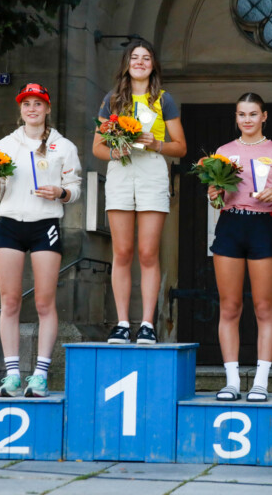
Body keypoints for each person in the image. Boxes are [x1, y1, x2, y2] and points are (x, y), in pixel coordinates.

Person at [0, 83, 82, 397]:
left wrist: (61, 193)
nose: (32, 109)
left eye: (37, 104)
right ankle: (12, 375)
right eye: (26, 104)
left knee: (43, 302)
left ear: (47, 108)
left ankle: (40, 375)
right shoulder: (5, 144)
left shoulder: (63, 145)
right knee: (10, 301)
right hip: (10, 224)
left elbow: (75, 187)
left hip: (45, 225)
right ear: (21, 109)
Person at [93, 39, 187, 345]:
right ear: (127, 63)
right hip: (121, 171)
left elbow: (180, 147)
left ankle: (147, 323)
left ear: (153, 65)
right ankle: (122, 323)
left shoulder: (163, 99)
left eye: (146, 57)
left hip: (152, 169)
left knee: (148, 252)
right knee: (122, 252)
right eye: (135, 57)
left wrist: (154, 143)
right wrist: (117, 152)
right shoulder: (112, 100)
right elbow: (98, 148)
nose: (140, 62)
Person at [207, 92, 272, 402]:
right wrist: (214, 193)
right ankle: (231, 382)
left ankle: (260, 382)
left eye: (253, 114)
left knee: (264, 307)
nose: (247, 119)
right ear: (236, 117)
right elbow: (215, 198)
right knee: (230, 307)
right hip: (230, 225)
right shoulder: (223, 151)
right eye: (241, 114)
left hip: (262, 225)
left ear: (264, 116)